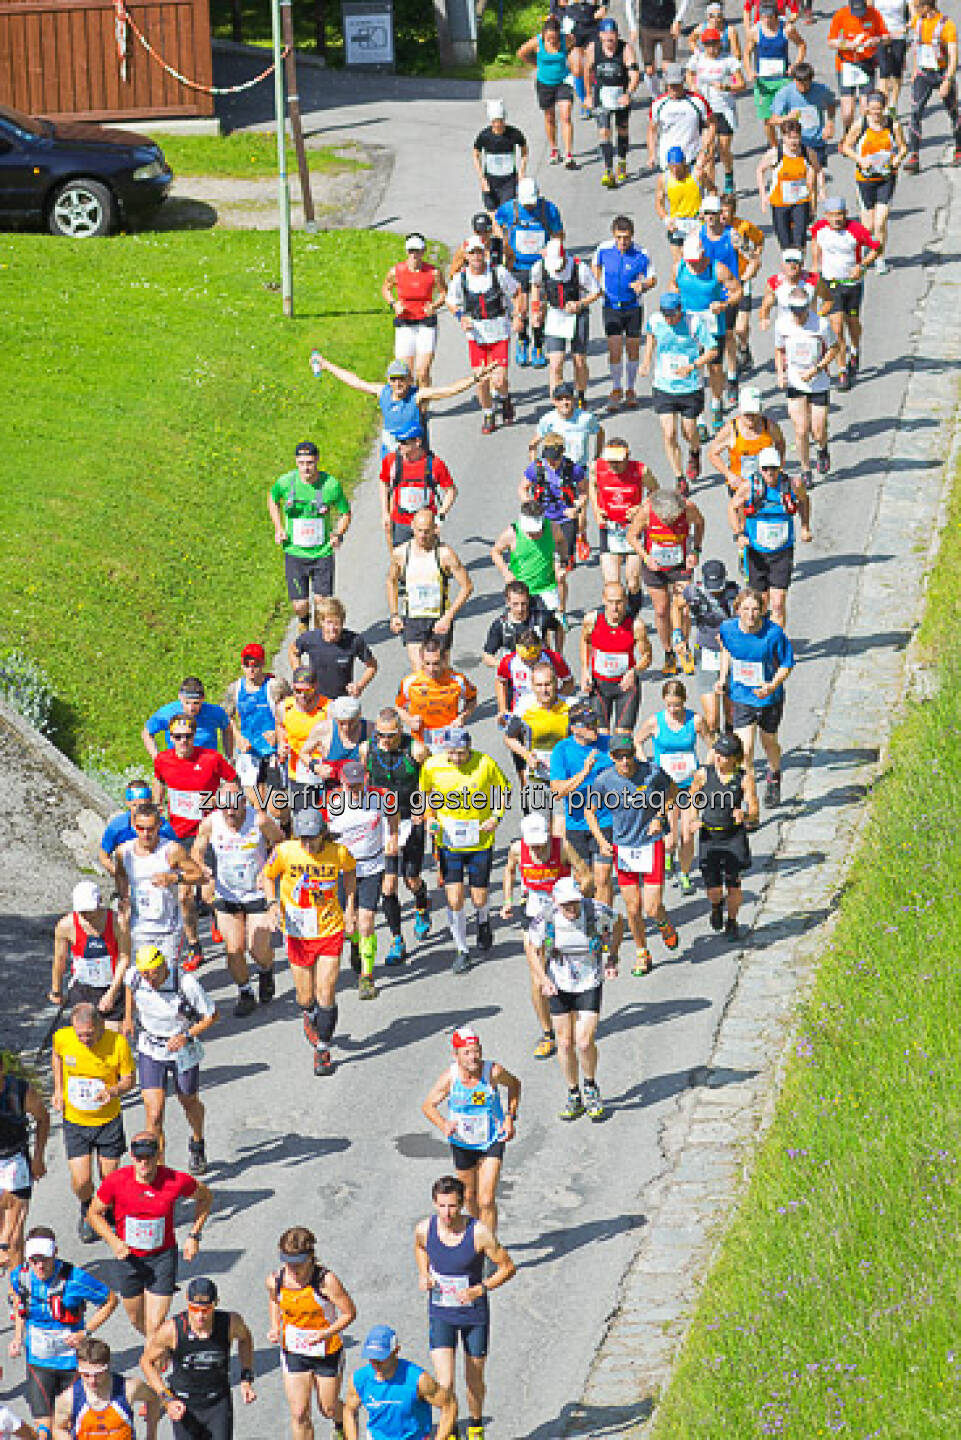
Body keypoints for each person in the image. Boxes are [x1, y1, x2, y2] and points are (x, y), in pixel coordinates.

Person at [413, 1175, 515, 1440]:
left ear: (461, 1204)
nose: (447, 1213)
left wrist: (479, 1289)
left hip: (473, 1315)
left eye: (452, 1207)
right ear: (434, 1204)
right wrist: (424, 1273)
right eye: (442, 1206)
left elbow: (507, 1267)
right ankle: (451, 1431)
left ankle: (476, 1424)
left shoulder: (478, 1232)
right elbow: (420, 1248)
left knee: (474, 1378)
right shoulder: (425, 1229)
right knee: (444, 1382)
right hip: (441, 1313)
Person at [87, 1131, 212, 1337]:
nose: (144, 1163)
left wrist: (194, 1235)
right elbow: (93, 1213)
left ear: (158, 1155)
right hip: (128, 1258)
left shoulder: (175, 1180)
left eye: (149, 1157)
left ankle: (153, 1356)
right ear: (132, 1157)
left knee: (154, 1324)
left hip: (162, 1258)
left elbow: (205, 1197)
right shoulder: (116, 1181)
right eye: (139, 1158)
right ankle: (161, 1346)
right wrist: (113, 1241)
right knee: (137, 1319)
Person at [263, 809, 357, 1077]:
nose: (307, 844)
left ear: (323, 834)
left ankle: (323, 1049)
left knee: (326, 990)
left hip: (329, 928)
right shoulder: (285, 852)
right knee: (305, 997)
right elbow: (268, 876)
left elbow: (350, 873)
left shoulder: (338, 853)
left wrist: (350, 908)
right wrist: (272, 905)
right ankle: (309, 1013)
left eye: (312, 839)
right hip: (298, 931)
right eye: (302, 838)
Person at [116, 944, 217, 1174]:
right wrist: (128, 1017)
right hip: (151, 1047)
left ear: (163, 966)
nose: (149, 980)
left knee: (188, 1101)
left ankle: (197, 1141)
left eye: (154, 974)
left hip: (181, 1048)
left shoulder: (185, 983)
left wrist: (186, 1035)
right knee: (154, 1113)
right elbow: (129, 987)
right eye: (145, 975)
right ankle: (156, 1170)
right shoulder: (135, 976)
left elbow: (211, 1015)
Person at [584, 731, 679, 973]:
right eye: (619, 756)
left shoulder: (652, 772)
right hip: (624, 847)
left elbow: (673, 792)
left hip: (650, 843)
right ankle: (642, 953)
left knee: (651, 907)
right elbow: (589, 812)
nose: (625, 761)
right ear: (612, 757)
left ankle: (663, 921)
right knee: (633, 908)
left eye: (628, 755)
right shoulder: (604, 780)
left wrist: (660, 816)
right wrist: (601, 840)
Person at [9, 1228, 117, 1436]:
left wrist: (85, 1332)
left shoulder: (76, 1279)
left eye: (46, 1259)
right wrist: (17, 1337)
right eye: (34, 1260)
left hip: (72, 1364)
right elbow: (19, 1305)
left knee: (72, 1424)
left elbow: (110, 1300)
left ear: (55, 1252)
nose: (40, 1266)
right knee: (44, 1429)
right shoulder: (19, 1277)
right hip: (39, 1362)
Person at [151, 714, 237, 971]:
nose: (182, 742)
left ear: (194, 736)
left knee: (209, 891)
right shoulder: (163, 760)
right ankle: (194, 945)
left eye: (187, 736)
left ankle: (214, 913)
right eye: (177, 737)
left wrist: (220, 802)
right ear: (170, 737)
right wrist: (157, 807)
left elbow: (233, 781)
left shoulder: (210, 758)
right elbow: (159, 780)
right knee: (184, 893)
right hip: (179, 834)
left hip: (208, 830)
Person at [191, 780, 283, 1016]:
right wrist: (203, 869)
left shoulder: (259, 820)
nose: (230, 812)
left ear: (244, 802)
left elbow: (281, 844)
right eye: (225, 807)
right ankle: (245, 992)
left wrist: (268, 871)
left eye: (235, 806)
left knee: (257, 950)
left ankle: (266, 970)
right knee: (234, 949)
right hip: (226, 894)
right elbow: (196, 851)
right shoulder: (210, 823)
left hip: (256, 893)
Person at [420, 731, 509, 972]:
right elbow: (426, 797)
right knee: (454, 898)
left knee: (479, 897)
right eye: (451, 753)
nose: (456, 758)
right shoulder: (432, 766)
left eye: (460, 753)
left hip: (480, 841)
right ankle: (462, 950)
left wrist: (495, 817)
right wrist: (430, 818)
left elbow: (503, 791)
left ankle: (483, 920)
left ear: (469, 748)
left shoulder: (485, 763)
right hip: (449, 842)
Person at [529, 876, 615, 1120]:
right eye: (566, 904)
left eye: (574, 903)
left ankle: (590, 1086)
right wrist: (542, 979)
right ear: (556, 902)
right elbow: (531, 948)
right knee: (564, 1043)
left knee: (585, 1042)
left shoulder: (595, 911)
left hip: (589, 981)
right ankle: (573, 1093)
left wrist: (612, 957)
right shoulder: (546, 917)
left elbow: (617, 922)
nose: (571, 909)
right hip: (559, 984)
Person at [421, 1029, 520, 1235]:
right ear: (455, 1055)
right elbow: (428, 1106)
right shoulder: (450, 1078)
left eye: (476, 1051)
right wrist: (443, 1124)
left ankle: (489, 1245)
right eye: (466, 1053)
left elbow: (514, 1085)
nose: (473, 1057)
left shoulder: (492, 1072)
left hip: (492, 1140)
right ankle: (478, 1236)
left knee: (486, 1199)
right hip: (462, 1143)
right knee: (468, 1197)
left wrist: (510, 1117)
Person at [51, 1005, 135, 1243]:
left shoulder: (117, 1043)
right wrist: (58, 1089)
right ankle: (88, 1209)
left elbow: (129, 1079)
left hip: (107, 1121)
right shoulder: (63, 1038)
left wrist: (114, 1090)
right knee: (81, 1181)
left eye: (89, 1034)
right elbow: (56, 1056)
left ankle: (104, 1212)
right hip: (76, 1121)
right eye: (80, 1035)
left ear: (100, 1026)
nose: (84, 1039)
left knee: (109, 1178)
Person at [266, 1227, 356, 1440]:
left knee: (329, 1409)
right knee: (299, 1413)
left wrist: (326, 1333)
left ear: (310, 1258)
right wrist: (275, 1326)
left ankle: (346, 1420)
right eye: (288, 1263)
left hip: (326, 1351)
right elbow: (273, 1300)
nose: (293, 1269)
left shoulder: (326, 1281)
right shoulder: (276, 1280)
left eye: (298, 1264)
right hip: (294, 1351)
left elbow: (349, 1313)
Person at [140, 1276, 256, 1440]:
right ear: (187, 1301)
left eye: (206, 1310)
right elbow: (146, 1362)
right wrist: (166, 1398)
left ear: (216, 1303)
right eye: (194, 1309)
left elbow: (245, 1338)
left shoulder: (230, 1322)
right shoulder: (172, 1330)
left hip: (217, 1403)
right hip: (184, 1404)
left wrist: (246, 1376)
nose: (200, 1316)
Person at [312, 354, 487, 458]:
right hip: (390, 450)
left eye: (402, 379)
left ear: (409, 380)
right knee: (388, 489)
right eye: (393, 379)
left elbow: (448, 390)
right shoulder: (383, 392)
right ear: (388, 380)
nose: (398, 383)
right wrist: (326, 365)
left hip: (415, 451)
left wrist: (475, 378)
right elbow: (356, 382)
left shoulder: (417, 395)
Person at [363, 709, 431, 963]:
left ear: (400, 731)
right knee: (388, 885)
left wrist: (424, 809)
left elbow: (431, 779)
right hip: (383, 821)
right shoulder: (367, 750)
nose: (385, 740)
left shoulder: (416, 750)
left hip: (409, 817)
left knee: (411, 878)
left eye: (390, 735)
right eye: (380, 734)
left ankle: (422, 904)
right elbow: (363, 781)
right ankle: (396, 939)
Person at [501, 811, 571, 1057]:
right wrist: (508, 899)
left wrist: (573, 899)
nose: (539, 851)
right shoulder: (517, 850)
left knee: (563, 968)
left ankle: (568, 1017)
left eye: (542, 845)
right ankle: (548, 1033)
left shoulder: (562, 847)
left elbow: (585, 877)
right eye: (534, 846)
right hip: (533, 913)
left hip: (563, 914)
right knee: (537, 976)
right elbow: (509, 870)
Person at [717, 587, 795, 806]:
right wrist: (723, 678)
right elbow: (726, 650)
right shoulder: (728, 629)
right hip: (742, 697)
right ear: (737, 610)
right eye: (746, 609)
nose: (750, 614)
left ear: (762, 611)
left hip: (770, 698)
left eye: (755, 609)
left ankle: (774, 775)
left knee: (769, 742)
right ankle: (751, 804)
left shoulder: (773, 634)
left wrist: (772, 686)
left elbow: (787, 665)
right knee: (745, 750)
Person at [325, 760, 396, 1001]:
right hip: (342, 871)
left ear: (365, 779)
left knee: (366, 922)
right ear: (342, 783)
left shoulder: (380, 796)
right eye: (350, 786)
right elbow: (318, 834)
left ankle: (367, 977)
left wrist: (392, 842)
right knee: (350, 923)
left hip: (371, 866)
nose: (354, 791)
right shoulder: (331, 802)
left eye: (358, 785)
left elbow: (393, 818)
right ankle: (355, 945)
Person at [549, 699, 620, 932]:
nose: (594, 728)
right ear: (574, 728)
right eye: (588, 724)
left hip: (605, 820)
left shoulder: (608, 744)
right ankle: (586, 919)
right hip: (576, 823)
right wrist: (584, 772)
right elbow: (558, 791)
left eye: (595, 723)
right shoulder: (562, 750)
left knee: (603, 877)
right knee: (584, 880)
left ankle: (604, 924)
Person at [636, 680, 710, 893]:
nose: (674, 710)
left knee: (688, 833)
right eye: (669, 705)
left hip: (689, 786)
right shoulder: (655, 722)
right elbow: (637, 742)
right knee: (669, 840)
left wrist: (704, 769)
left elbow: (711, 744)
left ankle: (685, 874)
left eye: (677, 705)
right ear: (664, 702)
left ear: (684, 701)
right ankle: (668, 855)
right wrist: (646, 766)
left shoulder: (695, 721)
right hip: (666, 787)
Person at [268, 441, 352, 627]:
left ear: (317, 461)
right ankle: (304, 621)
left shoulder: (330, 485)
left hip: (322, 553)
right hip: (295, 553)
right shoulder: (286, 483)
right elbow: (272, 499)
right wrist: (279, 527)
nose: (306, 468)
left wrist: (338, 533)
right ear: (296, 462)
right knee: (300, 605)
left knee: (322, 603)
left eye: (310, 463)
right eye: (301, 463)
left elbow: (345, 513)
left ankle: (317, 638)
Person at [113, 802, 202, 971]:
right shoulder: (123, 852)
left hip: (168, 927)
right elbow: (120, 875)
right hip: (138, 925)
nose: (146, 834)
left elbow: (198, 875)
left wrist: (174, 878)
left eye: (151, 829)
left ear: (159, 825)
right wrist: (123, 898)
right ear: (134, 826)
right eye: (141, 828)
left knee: (165, 977)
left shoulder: (171, 850)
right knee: (140, 975)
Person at [641, 292, 717, 489]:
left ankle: (694, 452)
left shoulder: (694, 323)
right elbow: (650, 336)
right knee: (669, 433)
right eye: (666, 315)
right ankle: (679, 478)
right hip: (664, 386)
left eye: (672, 315)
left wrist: (693, 366)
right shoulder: (656, 321)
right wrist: (647, 361)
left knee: (689, 430)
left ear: (680, 311)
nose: (669, 320)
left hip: (690, 386)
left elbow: (712, 349)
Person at [445, 238, 521, 435]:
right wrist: (461, 317)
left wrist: (518, 316)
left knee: (499, 380)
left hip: (499, 331)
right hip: (476, 335)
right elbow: (451, 302)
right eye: (472, 253)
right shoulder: (460, 279)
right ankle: (488, 413)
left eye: (479, 252)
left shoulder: (498, 273)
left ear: (485, 253)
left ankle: (504, 399)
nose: (477, 257)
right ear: (466, 256)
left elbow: (517, 291)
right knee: (481, 380)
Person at [730, 448, 811, 627]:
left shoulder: (792, 484)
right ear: (760, 469)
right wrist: (738, 533)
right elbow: (733, 507)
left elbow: (804, 500)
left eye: (773, 468)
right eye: (765, 468)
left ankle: (776, 646)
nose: (769, 473)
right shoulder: (750, 487)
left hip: (782, 550)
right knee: (761, 603)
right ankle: (761, 639)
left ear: (780, 467)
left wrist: (805, 526)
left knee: (778, 603)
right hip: (757, 552)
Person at [628, 486, 704, 674]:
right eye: (665, 519)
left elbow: (700, 523)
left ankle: (683, 647)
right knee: (662, 610)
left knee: (684, 607)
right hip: (655, 566)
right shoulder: (646, 511)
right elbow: (632, 536)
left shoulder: (688, 508)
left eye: (673, 519)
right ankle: (668, 651)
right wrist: (645, 557)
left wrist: (695, 550)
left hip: (680, 565)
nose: (669, 522)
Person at [674, 230, 741, 439]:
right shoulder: (679, 268)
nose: (693, 265)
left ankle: (716, 403)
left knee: (714, 367)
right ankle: (700, 417)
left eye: (696, 260)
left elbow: (737, 291)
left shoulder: (717, 269)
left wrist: (724, 304)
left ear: (703, 254)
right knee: (695, 368)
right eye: (690, 261)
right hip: (689, 324)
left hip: (713, 324)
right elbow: (673, 287)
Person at [691, 731, 758, 939]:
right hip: (709, 836)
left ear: (735, 758)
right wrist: (694, 818)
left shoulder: (744, 778)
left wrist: (745, 814)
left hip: (733, 837)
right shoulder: (704, 774)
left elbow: (755, 810)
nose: (719, 758)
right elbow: (693, 798)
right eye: (717, 752)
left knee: (733, 884)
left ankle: (732, 921)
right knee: (713, 888)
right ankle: (716, 907)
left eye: (725, 755)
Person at [388, 510, 474, 670]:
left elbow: (467, 586)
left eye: (427, 531)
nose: (422, 535)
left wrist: (449, 616)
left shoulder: (444, 554)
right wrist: (394, 614)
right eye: (419, 530)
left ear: (435, 528)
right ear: (412, 527)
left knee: (439, 669)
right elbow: (391, 581)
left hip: (439, 618)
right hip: (414, 618)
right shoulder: (400, 553)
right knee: (420, 669)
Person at [494, 176, 565, 370]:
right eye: (527, 204)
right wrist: (504, 242)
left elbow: (559, 234)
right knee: (521, 309)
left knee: (538, 310)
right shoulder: (510, 209)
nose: (530, 207)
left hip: (540, 267)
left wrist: (551, 250)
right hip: (517, 266)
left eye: (533, 203)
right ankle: (523, 340)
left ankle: (538, 345)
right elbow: (497, 222)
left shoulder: (548, 210)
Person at [774, 288, 841, 484]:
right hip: (795, 381)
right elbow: (779, 350)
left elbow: (834, 348)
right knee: (801, 430)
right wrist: (780, 373)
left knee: (818, 430)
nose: (798, 314)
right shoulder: (782, 325)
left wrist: (818, 368)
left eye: (802, 309)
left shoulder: (821, 324)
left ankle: (822, 449)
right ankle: (805, 469)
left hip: (818, 381)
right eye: (794, 309)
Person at [343, 1326, 457, 1440]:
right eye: (371, 1357)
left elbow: (449, 1404)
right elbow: (349, 1411)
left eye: (381, 1358)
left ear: (396, 1351)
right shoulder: (359, 1379)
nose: (375, 1363)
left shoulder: (418, 1380)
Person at [591, 215, 657, 410]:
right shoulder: (603, 249)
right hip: (611, 306)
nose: (622, 242)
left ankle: (630, 388)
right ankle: (616, 387)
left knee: (633, 348)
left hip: (633, 307)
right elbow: (595, 265)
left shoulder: (641, 253)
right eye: (619, 237)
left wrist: (643, 284)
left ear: (632, 236)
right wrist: (597, 284)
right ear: (613, 235)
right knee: (614, 348)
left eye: (626, 238)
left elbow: (653, 279)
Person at [840, 89, 907, 272]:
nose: (875, 113)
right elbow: (845, 146)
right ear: (867, 109)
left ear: (884, 108)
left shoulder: (893, 125)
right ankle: (860, 253)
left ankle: (880, 258)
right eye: (871, 109)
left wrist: (896, 160)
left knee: (881, 220)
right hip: (865, 179)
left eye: (878, 109)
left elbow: (903, 148)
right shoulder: (859, 125)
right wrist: (860, 160)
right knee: (868, 226)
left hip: (886, 178)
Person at [529, 239, 600, 405]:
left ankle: (581, 396)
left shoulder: (579, 268)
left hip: (577, 315)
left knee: (579, 361)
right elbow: (535, 286)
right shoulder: (540, 267)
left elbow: (596, 292)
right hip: (555, 314)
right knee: (555, 363)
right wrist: (535, 310)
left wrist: (580, 304)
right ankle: (559, 402)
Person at [50, 882, 126, 1032]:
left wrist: (111, 993)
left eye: (91, 911)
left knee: (112, 1039)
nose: (87, 916)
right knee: (84, 1037)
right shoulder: (66, 925)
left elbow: (124, 957)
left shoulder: (117, 922)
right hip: (83, 988)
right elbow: (59, 959)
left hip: (111, 985)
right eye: (82, 911)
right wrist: (56, 990)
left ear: (100, 902)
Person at [51, 1336, 160, 1440]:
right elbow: (58, 1428)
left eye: (98, 1374)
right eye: (86, 1374)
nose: (92, 1381)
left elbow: (153, 1399)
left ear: (108, 1367)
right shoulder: (68, 1398)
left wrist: (151, 1435)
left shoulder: (129, 1388)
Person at [589, 437, 655, 607]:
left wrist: (640, 508)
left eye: (617, 462)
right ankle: (620, 623)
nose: (613, 465)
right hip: (609, 527)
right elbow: (592, 486)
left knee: (632, 582)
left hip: (633, 528)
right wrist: (596, 509)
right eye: (610, 461)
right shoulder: (597, 468)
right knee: (612, 584)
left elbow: (655, 492)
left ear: (627, 457)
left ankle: (632, 617)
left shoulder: (641, 470)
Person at [0, 1053, 49, 1279]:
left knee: (13, 1237)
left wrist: (38, 1157)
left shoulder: (20, 1091)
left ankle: (15, 1294)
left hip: (15, 1160)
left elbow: (43, 1118)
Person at [581, 581, 653, 733]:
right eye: (611, 602)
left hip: (625, 687)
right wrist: (584, 670)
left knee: (622, 741)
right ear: (603, 600)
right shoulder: (592, 620)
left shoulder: (635, 625)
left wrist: (634, 671)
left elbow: (647, 656)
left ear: (625, 601)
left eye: (619, 602)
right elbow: (585, 641)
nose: (614, 608)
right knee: (601, 737)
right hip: (600, 685)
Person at [520, 432, 588, 585]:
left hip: (565, 519)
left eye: (555, 459)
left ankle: (560, 602)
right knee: (543, 562)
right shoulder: (535, 468)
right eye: (549, 458)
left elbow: (584, 491)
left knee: (563, 567)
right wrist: (530, 507)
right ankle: (549, 597)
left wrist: (576, 507)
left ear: (562, 453)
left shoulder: (573, 469)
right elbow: (522, 488)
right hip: (543, 521)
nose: (552, 462)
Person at [381, 235, 446, 389]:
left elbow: (444, 293)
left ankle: (423, 408)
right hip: (405, 324)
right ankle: (410, 408)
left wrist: (434, 306)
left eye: (417, 251)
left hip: (426, 324)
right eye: (411, 251)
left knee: (422, 371)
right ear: (406, 252)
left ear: (423, 251)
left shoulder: (433, 272)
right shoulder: (396, 271)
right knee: (405, 372)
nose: (414, 255)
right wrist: (394, 304)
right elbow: (386, 288)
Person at [683, 559, 741, 732]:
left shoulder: (735, 593)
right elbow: (677, 606)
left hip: (730, 653)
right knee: (711, 717)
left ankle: (730, 749)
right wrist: (679, 635)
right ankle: (717, 751)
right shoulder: (693, 592)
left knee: (731, 713)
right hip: (706, 653)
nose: (715, 592)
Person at [686, 25, 745, 193]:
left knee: (723, 149)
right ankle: (711, 188)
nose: (711, 49)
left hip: (724, 108)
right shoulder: (698, 59)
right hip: (706, 110)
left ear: (720, 44)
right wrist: (693, 87)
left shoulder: (729, 60)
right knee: (708, 150)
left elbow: (741, 84)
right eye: (708, 45)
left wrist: (726, 87)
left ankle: (728, 176)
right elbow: (689, 74)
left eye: (714, 44)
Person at [904, 0, 961, 173]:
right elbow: (916, 45)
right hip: (924, 73)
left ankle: (959, 149)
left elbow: (953, 57)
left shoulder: (947, 25)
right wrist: (915, 68)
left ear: (928, 6)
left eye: (917, 6)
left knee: (952, 111)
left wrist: (947, 81)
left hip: (942, 72)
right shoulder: (917, 21)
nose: (915, 9)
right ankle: (914, 155)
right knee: (915, 112)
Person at [288, 598, 377, 706]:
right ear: (321, 622)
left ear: (342, 622)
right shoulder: (310, 639)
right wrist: (301, 673)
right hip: (315, 699)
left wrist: (359, 686)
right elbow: (293, 652)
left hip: (342, 701)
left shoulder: (354, 641)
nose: (333, 628)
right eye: (329, 622)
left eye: (337, 623)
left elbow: (372, 666)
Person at [379, 427, 457, 549]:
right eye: (398, 441)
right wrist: (385, 512)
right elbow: (384, 482)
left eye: (404, 442)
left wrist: (439, 516)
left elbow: (451, 491)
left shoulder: (434, 464)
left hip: (426, 526)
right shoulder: (391, 461)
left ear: (417, 442)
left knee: (429, 562)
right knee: (401, 562)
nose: (400, 445)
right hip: (400, 522)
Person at [225, 644, 289, 793]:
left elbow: (292, 711)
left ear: (263, 664)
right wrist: (238, 737)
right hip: (249, 750)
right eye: (247, 665)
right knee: (254, 800)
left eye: (256, 665)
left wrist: (278, 733)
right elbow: (227, 717)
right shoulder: (235, 689)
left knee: (277, 804)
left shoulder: (275, 686)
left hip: (273, 750)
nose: (251, 670)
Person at [395, 636, 478, 751]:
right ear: (421, 660)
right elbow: (399, 707)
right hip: (422, 742)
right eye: (427, 663)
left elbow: (472, 699)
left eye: (436, 663)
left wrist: (462, 717)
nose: (431, 668)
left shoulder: (458, 680)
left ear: (444, 659)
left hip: (450, 741)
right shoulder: (410, 682)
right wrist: (409, 720)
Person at [503, 661, 572, 796]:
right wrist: (527, 756)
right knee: (539, 817)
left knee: (560, 817)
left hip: (564, 776)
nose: (544, 690)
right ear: (532, 686)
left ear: (556, 683)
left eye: (548, 684)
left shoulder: (571, 706)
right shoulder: (523, 708)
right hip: (537, 776)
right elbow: (509, 737)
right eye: (539, 685)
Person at [516, 15, 576, 168]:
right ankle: (554, 148)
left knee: (566, 116)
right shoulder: (537, 42)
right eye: (549, 38)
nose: (551, 42)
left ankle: (569, 154)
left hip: (563, 81)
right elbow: (521, 53)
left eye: (554, 39)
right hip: (544, 83)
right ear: (543, 34)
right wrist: (535, 63)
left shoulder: (566, 40)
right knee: (549, 117)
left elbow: (573, 47)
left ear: (559, 34)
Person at [490, 502, 565, 624]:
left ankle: (553, 643)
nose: (534, 534)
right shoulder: (512, 533)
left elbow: (561, 542)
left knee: (554, 624)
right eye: (530, 531)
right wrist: (506, 572)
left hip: (547, 587)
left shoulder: (552, 528)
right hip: (521, 590)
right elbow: (495, 551)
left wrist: (561, 561)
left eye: (536, 530)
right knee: (520, 628)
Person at [708, 384, 787, 494]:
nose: (750, 417)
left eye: (753, 413)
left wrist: (778, 465)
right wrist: (729, 475)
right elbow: (712, 454)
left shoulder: (769, 426)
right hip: (740, 486)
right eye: (747, 413)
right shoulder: (731, 429)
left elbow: (780, 443)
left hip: (766, 484)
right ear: (740, 409)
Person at [744, 0, 805, 144]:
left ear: (776, 16)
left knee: (788, 116)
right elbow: (747, 53)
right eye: (763, 17)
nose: (766, 20)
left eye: (769, 17)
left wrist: (795, 66)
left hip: (783, 79)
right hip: (764, 80)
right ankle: (774, 146)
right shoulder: (755, 31)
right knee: (768, 119)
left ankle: (790, 144)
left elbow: (802, 45)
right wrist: (749, 71)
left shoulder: (786, 28)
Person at [590, 18, 641, 187]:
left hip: (620, 92)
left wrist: (629, 93)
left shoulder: (625, 49)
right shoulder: (593, 48)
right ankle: (608, 169)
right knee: (604, 131)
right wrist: (587, 95)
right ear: (600, 36)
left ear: (617, 36)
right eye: (606, 39)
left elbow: (634, 74)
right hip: (601, 93)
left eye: (612, 39)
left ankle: (622, 161)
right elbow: (585, 70)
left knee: (622, 129)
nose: (609, 43)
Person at [757, 117, 817, 254]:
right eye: (790, 138)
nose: (794, 141)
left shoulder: (807, 152)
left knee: (799, 240)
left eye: (796, 137)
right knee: (784, 242)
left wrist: (819, 193)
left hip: (800, 201)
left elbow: (817, 170)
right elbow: (760, 170)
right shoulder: (775, 153)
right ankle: (790, 270)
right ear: (783, 137)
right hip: (780, 203)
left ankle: (799, 270)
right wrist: (763, 195)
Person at [827, 0, 887, 132]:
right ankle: (848, 133)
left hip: (866, 62)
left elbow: (885, 36)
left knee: (866, 105)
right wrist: (846, 44)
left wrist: (876, 40)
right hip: (846, 63)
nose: (859, 16)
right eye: (855, 12)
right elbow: (831, 42)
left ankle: (864, 134)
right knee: (848, 109)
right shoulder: (840, 15)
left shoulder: (874, 14)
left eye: (861, 12)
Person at [770, 60, 837, 177]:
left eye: (807, 84)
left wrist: (830, 123)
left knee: (817, 176)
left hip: (817, 142)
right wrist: (787, 118)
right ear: (794, 80)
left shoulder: (821, 90)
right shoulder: (785, 93)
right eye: (800, 84)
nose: (803, 88)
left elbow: (831, 104)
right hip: (795, 144)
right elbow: (773, 120)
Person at [97, 783, 175, 880]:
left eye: (143, 805)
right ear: (127, 803)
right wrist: (119, 875)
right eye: (134, 805)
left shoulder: (163, 827)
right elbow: (103, 855)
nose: (139, 810)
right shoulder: (118, 826)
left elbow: (178, 855)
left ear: (150, 802)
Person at [142, 678, 232, 761]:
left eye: (196, 703)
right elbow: (147, 733)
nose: (191, 708)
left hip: (207, 764)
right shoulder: (167, 713)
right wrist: (157, 758)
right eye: (187, 703)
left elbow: (227, 729)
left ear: (203, 699)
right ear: (180, 697)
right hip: (178, 765)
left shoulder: (215, 712)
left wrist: (229, 757)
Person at [648, 63, 715, 173]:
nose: (674, 88)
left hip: (692, 157)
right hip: (668, 161)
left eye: (677, 84)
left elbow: (711, 124)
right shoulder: (658, 104)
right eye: (671, 85)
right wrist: (652, 154)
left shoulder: (697, 101)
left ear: (683, 81)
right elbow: (652, 130)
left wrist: (705, 150)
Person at [277, 666, 329, 804]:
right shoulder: (284, 707)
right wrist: (281, 744)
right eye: (297, 691)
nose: (302, 695)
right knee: (305, 819)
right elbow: (280, 726)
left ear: (316, 686)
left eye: (307, 690)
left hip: (323, 771)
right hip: (297, 772)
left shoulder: (328, 708)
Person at [482, 580, 563, 668]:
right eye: (515, 604)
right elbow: (487, 657)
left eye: (523, 604)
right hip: (515, 676)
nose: (520, 609)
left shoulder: (541, 618)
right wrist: (507, 665)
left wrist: (557, 654)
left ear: (528, 600)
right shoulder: (501, 626)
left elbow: (559, 628)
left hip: (540, 672)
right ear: (508, 602)